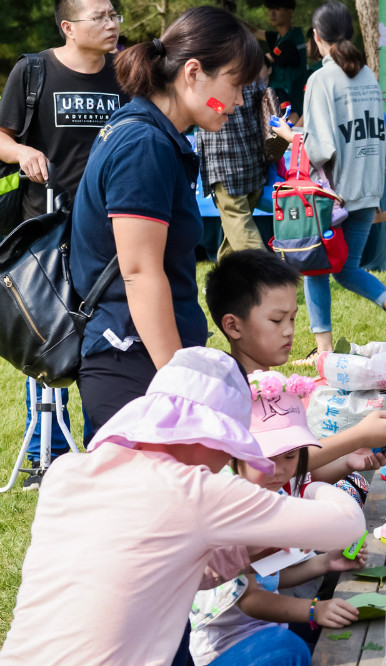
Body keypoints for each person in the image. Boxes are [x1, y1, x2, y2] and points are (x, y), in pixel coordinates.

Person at [0, 347, 365, 666]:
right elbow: (346, 524)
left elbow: (165, 569)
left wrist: (243, 553)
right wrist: (311, 486)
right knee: (284, 649)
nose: (226, 459)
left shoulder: (66, 472)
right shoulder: (195, 490)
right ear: (212, 435)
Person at [69, 6, 263, 431]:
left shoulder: (150, 133)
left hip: (142, 360)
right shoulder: (145, 144)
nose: (238, 101)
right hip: (134, 365)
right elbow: (140, 274)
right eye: (235, 84)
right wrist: (179, 386)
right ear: (193, 72)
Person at [0, 0, 125, 484]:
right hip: (46, 228)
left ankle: (106, 446)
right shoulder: (33, 72)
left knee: (107, 335)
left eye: (115, 14)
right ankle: (47, 453)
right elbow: (2, 137)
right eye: (101, 17)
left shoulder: (126, 72)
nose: (113, 24)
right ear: (69, 27)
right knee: (47, 334)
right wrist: (21, 152)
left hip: (111, 228)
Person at [189, 374, 367, 666]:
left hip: (269, 629)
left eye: (291, 456)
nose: (280, 470)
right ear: (234, 450)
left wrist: (326, 563)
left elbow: (268, 577)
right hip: (227, 650)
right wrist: (314, 610)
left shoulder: (267, 492)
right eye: (266, 456)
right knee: (294, 649)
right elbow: (249, 599)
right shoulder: (226, 506)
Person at [204, 249, 386, 472]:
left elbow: (295, 475)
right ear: (233, 326)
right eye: (277, 320)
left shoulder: (275, 384)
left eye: (292, 318)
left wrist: (347, 463)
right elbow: (272, 466)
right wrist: (358, 436)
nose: (289, 330)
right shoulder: (231, 394)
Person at [300, 1, 386, 362]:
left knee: (315, 267)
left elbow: (320, 147)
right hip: (368, 188)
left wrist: (292, 138)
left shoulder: (320, 80)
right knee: (346, 268)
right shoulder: (366, 74)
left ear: (317, 37)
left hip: (333, 194)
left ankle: (323, 351)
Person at [195, 63, 270, 260]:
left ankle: (269, 275)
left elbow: (209, 106)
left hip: (225, 163)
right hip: (253, 161)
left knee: (239, 228)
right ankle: (225, 279)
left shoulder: (210, 76)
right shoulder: (251, 72)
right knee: (235, 230)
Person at [252, 0, 308, 117]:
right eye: (270, 9)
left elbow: (266, 59)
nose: (272, 13)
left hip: (293, 106)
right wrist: (230, 18)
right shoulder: (279, 37)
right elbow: (254, 32)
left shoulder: (291, 40)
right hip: (281, 104)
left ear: (290, 11)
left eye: (277, 9)